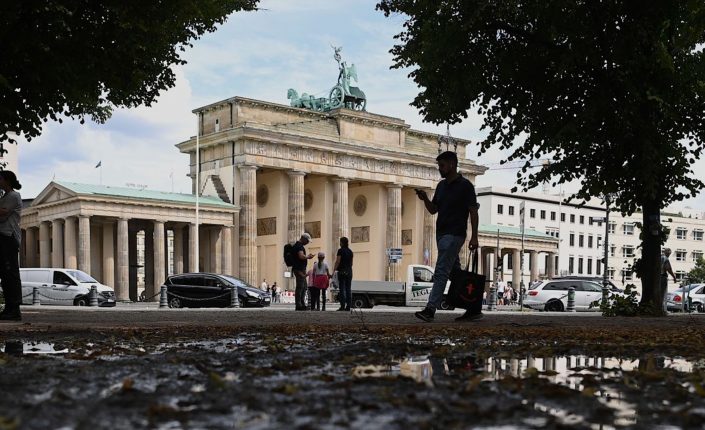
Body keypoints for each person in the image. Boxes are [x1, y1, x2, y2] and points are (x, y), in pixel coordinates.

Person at [414, 151, 480, 322]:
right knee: (455, 273)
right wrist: (425, 199)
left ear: (452, 164)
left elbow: (473, 211)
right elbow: (433, 209)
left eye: (442, 165)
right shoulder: (441, 186)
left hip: (455, 234)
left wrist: (474, 237)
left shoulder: (466, 186)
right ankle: (473, 308)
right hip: (441, 234)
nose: (439, 169)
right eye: (439, 166)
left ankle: (430, 309)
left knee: (441, 270)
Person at [0, 171, 23, 321]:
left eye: (0, 178)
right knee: (5, 274)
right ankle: (9, 308)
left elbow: (3, 214)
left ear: (7, 180)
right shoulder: (4, 197)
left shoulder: (14, 196)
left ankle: (14, 309)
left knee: (10, 274)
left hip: (9, 237)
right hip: (3, 237)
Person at [292, 233, 315, 311]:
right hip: (299, 269)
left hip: (299, 269)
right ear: (303, 239)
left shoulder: (298, 245)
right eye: (307, 241)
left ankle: (301, 303)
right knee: (300, 287)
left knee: (304, 287)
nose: (308, 243)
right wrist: (308, 257)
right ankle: (299, 305)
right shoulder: (299, 246)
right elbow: (301, 256)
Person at [333, 236, 354, 311]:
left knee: (342, 289)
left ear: (342, 243)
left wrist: (334, 270)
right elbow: (351, 263)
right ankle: (348, 306)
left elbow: (338, 261)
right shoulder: (350, 251)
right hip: (349, 271)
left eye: (340, 242)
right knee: (348, 289)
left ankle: (342, 306)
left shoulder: (340, 250)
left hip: (342, 271)